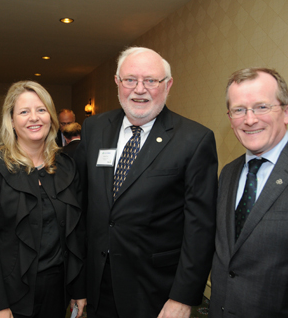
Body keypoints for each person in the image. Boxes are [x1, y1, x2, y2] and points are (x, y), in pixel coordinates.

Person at [74, 46, 218, 318]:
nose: (139, 89)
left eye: (151, 81)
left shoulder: (194, 140)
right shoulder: (94, 129)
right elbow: (82, 211)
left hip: (156, 292)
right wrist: (78, 284)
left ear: (168, 85)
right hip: (97, 285)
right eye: (130, 80)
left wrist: (183, 297)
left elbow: (200, 229)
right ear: (117, 83)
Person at [209, 68, 288, 317]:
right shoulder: (228, 172)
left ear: (287, 112)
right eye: (239, 110)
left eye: (261, 107)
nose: (249, 119)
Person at [0, 81, 86, 318]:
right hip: (8, 294)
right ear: (11, 120)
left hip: (56, 291)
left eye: (41, 110)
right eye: (24, 112)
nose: (34, 118)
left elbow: (77, 232)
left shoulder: (66, 166)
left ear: (51, 117)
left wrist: (78, 289)